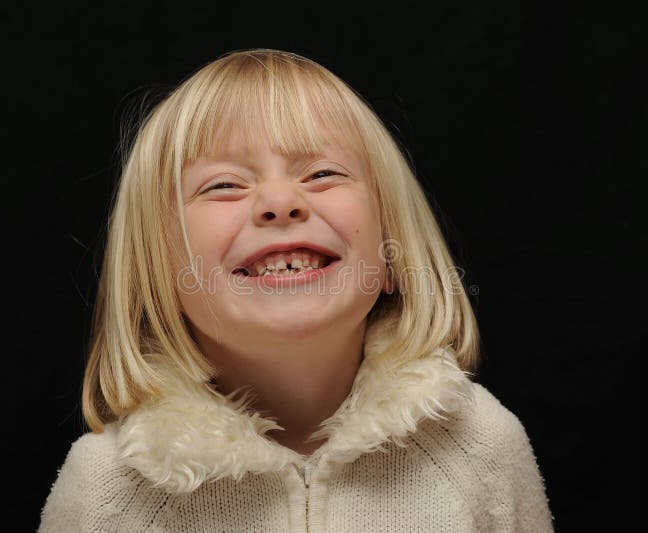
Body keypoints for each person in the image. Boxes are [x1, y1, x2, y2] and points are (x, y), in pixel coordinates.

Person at [39, 49, 553, 532]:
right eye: (224, 184)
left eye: (323, 173)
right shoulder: (103, 492)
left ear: (393, 254)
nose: (281, 201)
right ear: (155, 275)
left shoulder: (481, 445)